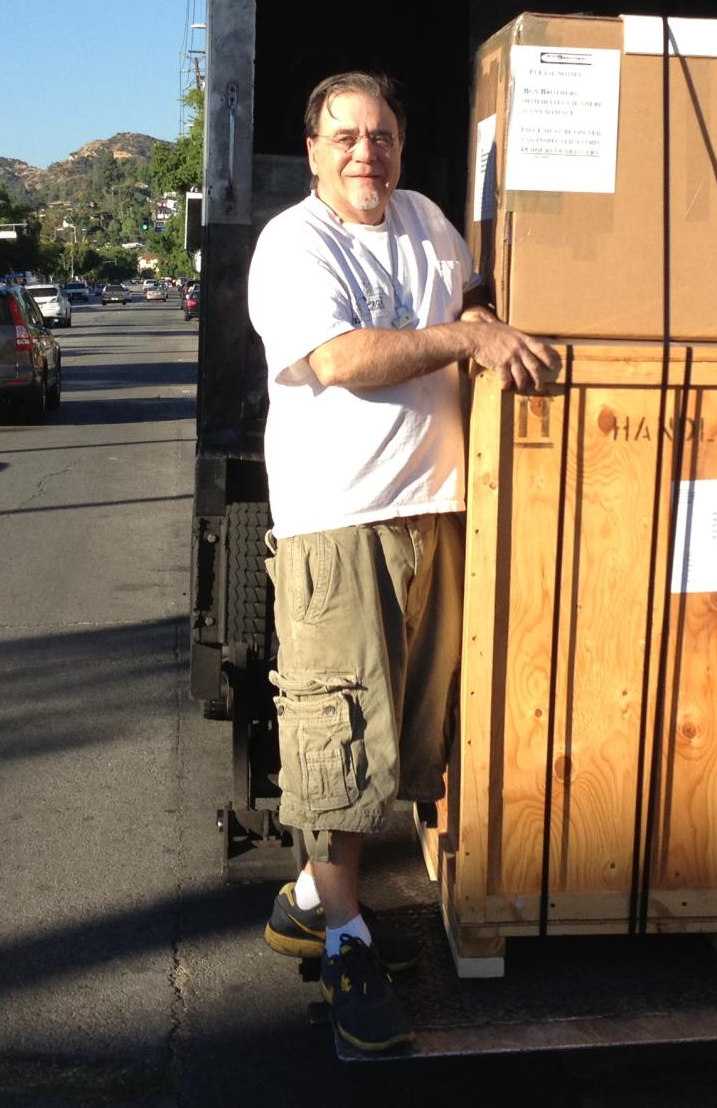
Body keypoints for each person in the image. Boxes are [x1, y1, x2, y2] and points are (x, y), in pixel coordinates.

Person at [245, 69, 555, 1052]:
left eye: (379, 135)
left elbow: (475, 297)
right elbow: (339, 360)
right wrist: (464, 334)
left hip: (438, 509)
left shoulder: (425, 218)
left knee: (410, 738)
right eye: (343, 137)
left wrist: (494, 312)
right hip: (339, 522)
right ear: (312, 150)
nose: (363, 153)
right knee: (337, 734)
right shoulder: (293, 244)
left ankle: (307, 895)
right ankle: (342, 935)